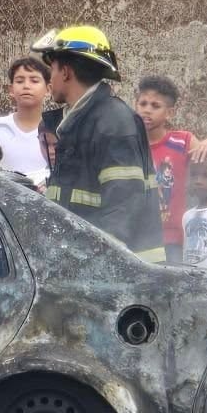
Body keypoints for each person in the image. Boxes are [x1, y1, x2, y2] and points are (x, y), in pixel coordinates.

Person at [33, 26, 166, 263]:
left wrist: (91, 262)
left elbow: (123, 207)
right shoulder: (80, 121)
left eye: (51, 69)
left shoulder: (112, 122)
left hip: (116, 272)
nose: (49, 79)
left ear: (65, 72)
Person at [135, 74, 207, 260]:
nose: (147, 110)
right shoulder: (127, 145)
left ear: (170, 113)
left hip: (172, 241)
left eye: (155, 106)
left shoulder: (183, 142)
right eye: (143, 104)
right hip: (136, 239)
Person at [0, 57, 52, 186]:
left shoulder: (57, 129)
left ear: (48, 90)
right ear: (11, 90)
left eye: (34, 81)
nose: (26, 86)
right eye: (20, 81)